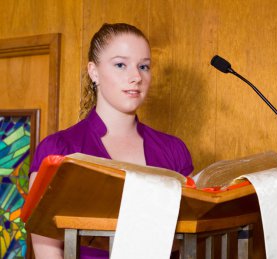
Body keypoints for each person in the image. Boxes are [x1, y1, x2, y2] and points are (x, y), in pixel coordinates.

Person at [28, 23, 194, 259]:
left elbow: (187, 239)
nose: (136, 77)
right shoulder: (58, 149)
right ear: (94, 72)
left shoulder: (174, 150)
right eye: (120, 65)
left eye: (144, 66)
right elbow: (48, 248)